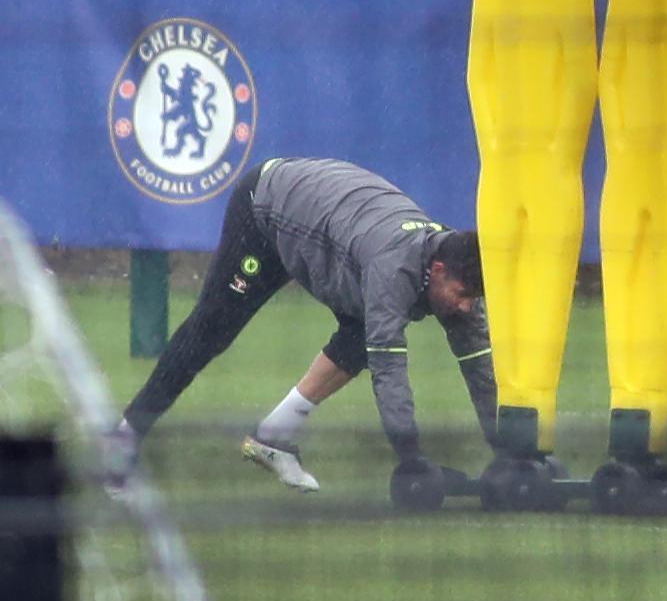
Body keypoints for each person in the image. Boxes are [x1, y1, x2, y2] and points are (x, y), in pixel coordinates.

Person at [108, 157, 498, 494]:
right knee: (209, 332)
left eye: (474, 299)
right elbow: (390, 373)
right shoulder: (393, 270)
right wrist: (412, 460)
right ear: (439, 270)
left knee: (360, 338)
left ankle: (273, 437)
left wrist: (511, 454)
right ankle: (122, 442)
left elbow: (480, 366)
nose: (466, 306)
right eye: (462, 294)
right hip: (267, 210)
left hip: (328, 239)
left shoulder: (459, 272)